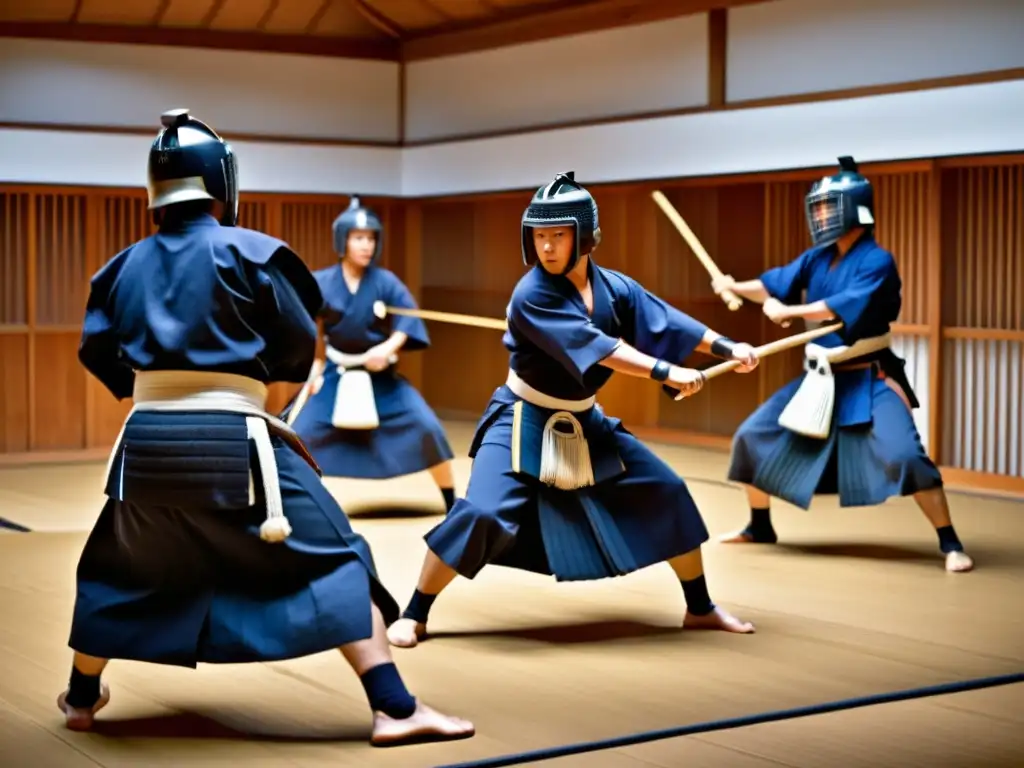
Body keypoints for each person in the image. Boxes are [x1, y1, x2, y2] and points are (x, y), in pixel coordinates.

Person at [58, 108, 475, 746]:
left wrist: (151, 387)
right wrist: (240, 381)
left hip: (144, 444)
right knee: (334, 553)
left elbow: (97, 352)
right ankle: (395, 707)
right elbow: (289, 345)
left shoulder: (118, 269)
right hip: (234, 436)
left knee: (121, 563)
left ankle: (82, 697)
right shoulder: (253, 253)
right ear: (222, 183)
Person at [387, 171, 761, 649]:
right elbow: (600, 348)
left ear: (584, 236)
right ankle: (415, 611)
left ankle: (700, 607)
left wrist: (727, 347)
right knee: (481, 512)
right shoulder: (533, 295)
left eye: (557, 236)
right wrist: (667, 373)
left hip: (585, 418)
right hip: (522, 414)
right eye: (539, 237)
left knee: (667, 490)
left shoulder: (615, 287)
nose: (546, 247)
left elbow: (664, 319)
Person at [712, 156, 973, 574]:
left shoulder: (877, 261)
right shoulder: (818, 257)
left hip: (868, 377)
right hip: (819, 379)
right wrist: (733, 286)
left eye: (827, 207)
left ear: (854, 209)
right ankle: (759, 526)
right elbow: (773, 284)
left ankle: (950, 542)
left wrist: (791, 313)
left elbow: (839, 309)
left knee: (904, 455)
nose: (819, 215)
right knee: (749, 437)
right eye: (816, 207)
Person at [289, 197, 458, 513]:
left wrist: (387, 348)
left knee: (427, 427)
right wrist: (313, 371)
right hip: (336, 375)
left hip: (382, 378)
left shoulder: (385, 282)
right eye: (358, 238)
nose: (366, 245)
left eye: (370, 239)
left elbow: (407, 320)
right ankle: (300, 502)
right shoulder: (322, 282)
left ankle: (451, 502)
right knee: (301, 433)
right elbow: (311, 331)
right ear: (343, 241)